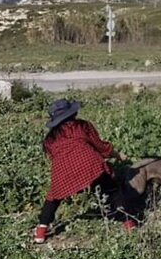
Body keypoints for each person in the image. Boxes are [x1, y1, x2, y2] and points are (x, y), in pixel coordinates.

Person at [34, 98, 135, 243]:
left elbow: (52, 155)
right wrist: (118, 155)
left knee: (53, 198)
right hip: (90, 164)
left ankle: (40, 232)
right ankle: (128, 223)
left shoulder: (49, 139)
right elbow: (101, 147)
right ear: (73, 113)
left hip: (62, 170)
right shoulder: (82, 126)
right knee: (111, 189)